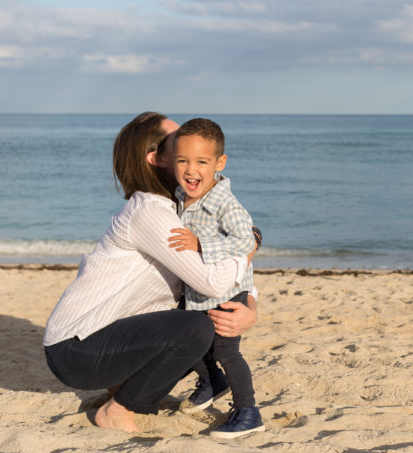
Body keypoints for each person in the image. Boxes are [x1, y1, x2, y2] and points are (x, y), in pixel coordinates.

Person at [43, 112, 258, 433]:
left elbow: (220, 273)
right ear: (157, 159)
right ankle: (120, 410)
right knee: (196, 328)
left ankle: (121, 387)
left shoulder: (179, 206)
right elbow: (213, 282)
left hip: (98, 341)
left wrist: (250, 306)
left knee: (194, 324)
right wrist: (250, 245)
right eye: (178, 140)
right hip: (74, 350)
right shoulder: (150, 212)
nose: (188, 138)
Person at [167, 118, 265, 438]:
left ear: (219, 163)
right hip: (197, 293)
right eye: (183, 161)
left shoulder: (225, 203)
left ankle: (248, 411)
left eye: (201, 162)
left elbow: (245, 242)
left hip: (227, 291)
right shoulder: (181, 196)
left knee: (226, 351)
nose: (191, 169)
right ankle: (212, 381)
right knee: (189, 342)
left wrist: (200, 243)